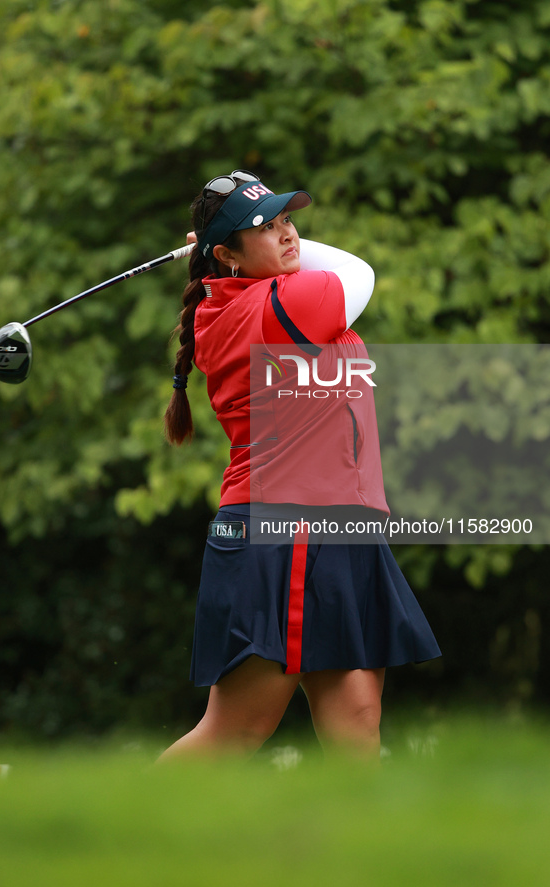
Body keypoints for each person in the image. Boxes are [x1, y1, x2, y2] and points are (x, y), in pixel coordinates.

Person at [160, 170, 440, 761]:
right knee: (235, 730)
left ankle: (359, 854)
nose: (288, 234)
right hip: (285, 532)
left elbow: (322, 269)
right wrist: (222, 251)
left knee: (359, 724)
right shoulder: (271, 305)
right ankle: (112, 839)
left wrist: (232, 245)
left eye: (288, 219)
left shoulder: (255, 295)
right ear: (227, 255)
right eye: (265, 227)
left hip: (340, 527)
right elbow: (359, 272)